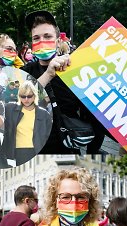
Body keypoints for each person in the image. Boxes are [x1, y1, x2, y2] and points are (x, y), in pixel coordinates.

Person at [21, 10, 106, 154]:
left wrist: (93, 152)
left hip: (67, 151)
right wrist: (48, 74)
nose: (41, 41)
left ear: (58, 41)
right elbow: (16, 104)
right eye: (36, 38)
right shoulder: (24, 71)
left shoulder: (75, 71)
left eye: (47, 36)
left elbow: (96, 117)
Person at [2, 81, 52, 166]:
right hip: (20, 151)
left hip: (37, 149)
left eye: (29, 96)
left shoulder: (44, 114)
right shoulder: (10, 109)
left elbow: (48, 134)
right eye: (23, 96)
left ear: (34, 96)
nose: (26, 99)